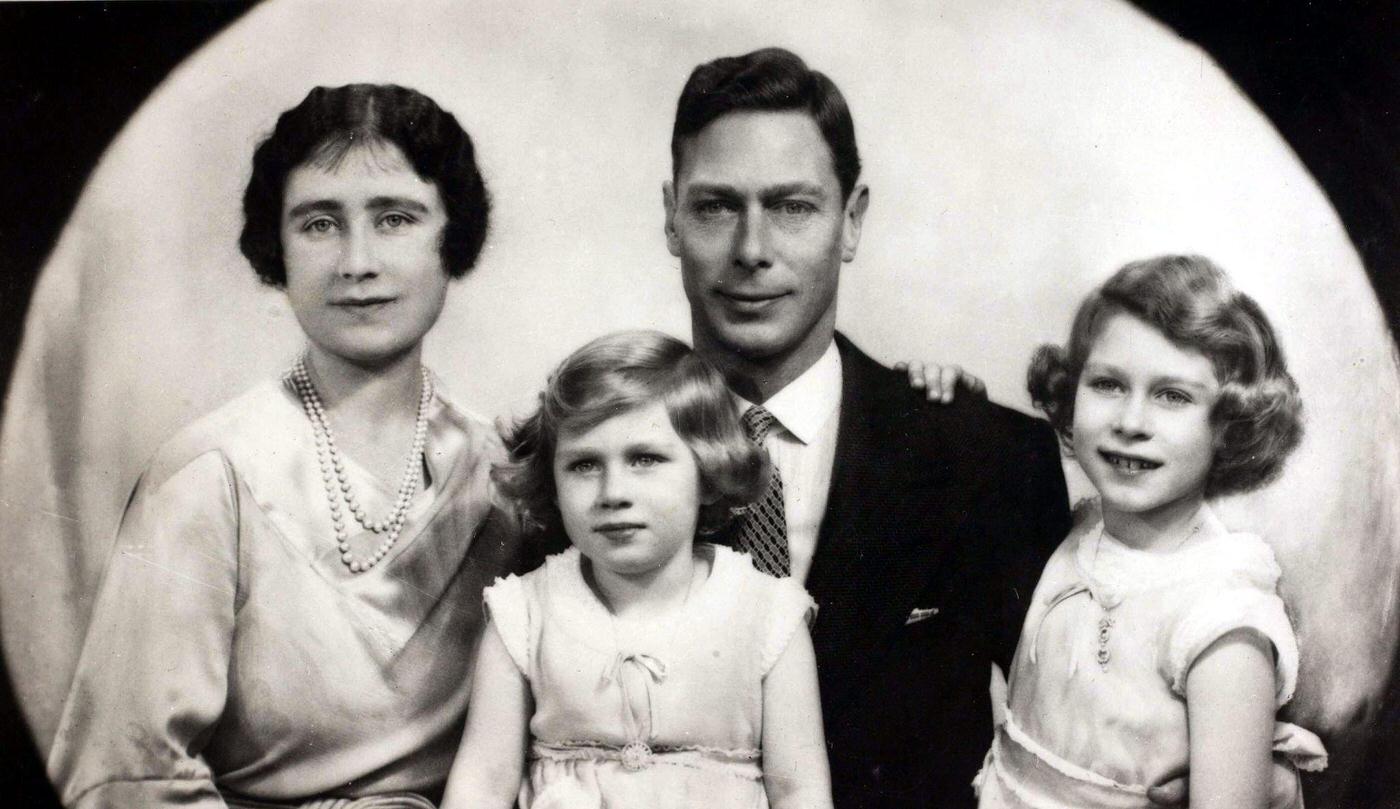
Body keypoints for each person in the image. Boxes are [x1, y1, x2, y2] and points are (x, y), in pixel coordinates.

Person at [47, 84, 523, 808]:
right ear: (278, 247)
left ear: (451, 241)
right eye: (319, 223)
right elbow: (119, 777)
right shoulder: (211, 474)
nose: (356, 261)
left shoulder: (504, 476)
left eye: (395, 218)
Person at [658, 47, 1073, 807]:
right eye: (717, 206)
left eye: (793, 207)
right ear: (671, 218)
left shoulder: (988, 458)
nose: (753, 250)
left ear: (851, 221)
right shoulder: (582, 458)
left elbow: (1081, 742)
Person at [974, 255, 1328, 808]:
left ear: (1230, 429)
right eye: (1108, 384)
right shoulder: (1083, 531)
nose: (1131, 422)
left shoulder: (1222, 617)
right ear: (1071, 399)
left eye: (1173, 396)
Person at [442, 330, 833, 809]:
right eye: (584, 465)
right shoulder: (523, 612)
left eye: (645, 459)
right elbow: (482, 781)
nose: (613, 492)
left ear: (708, 473)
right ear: (552, 482)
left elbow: (800, 792)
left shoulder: (769, 615)